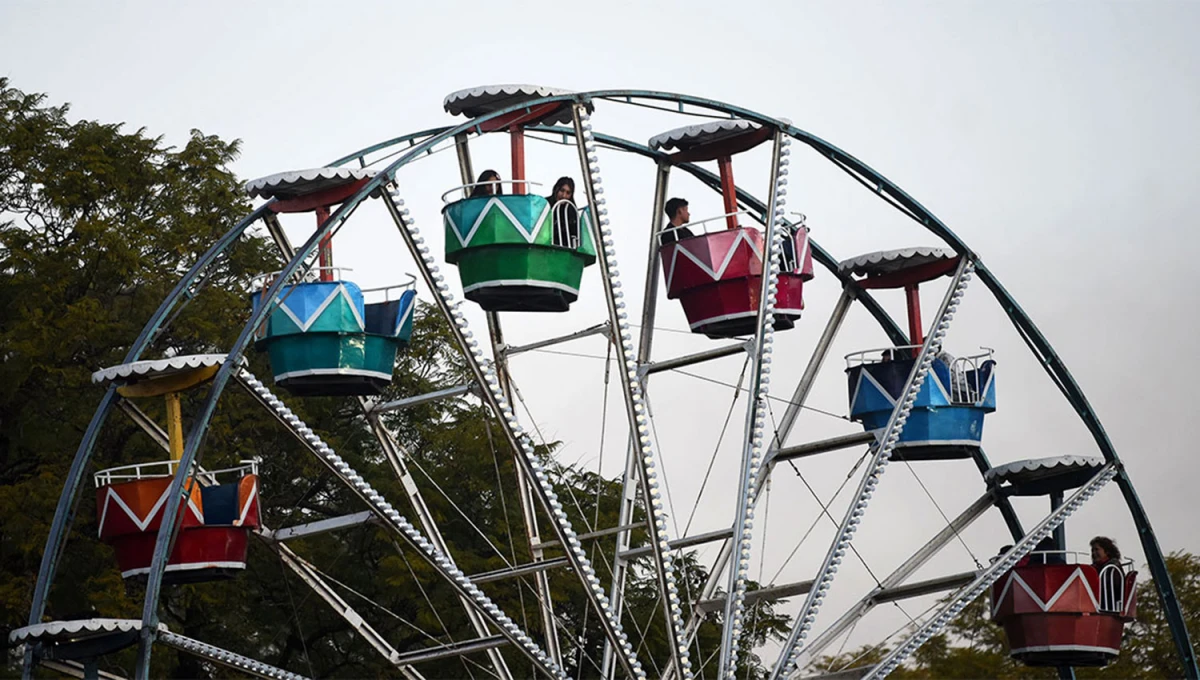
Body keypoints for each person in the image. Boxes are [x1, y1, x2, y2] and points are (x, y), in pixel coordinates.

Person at [1091, 536, 1125, 612]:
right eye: (1092, 550)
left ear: (1107, 551)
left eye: (1097, 550)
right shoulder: (1094, 568)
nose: (1094, 553)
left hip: (1109, 605)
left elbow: (1108, 586)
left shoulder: (1113, 567)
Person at [548, 177, 579, 248]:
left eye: (568, 193)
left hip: (565, 248)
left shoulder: (572, 211)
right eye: (562, 191)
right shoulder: (545, 204)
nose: (564, 196)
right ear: (556, 189)